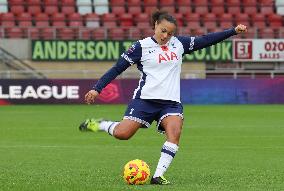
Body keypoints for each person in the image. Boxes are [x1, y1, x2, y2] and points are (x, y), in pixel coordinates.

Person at [79, 10, 247, 185]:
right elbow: (117, 68)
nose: (166, 36)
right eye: (163, 30)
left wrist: (232, 31)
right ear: (155, 26)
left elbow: (205, 40)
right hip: (145, 100)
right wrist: (97, 89)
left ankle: (157, 176)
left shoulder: (179, 44)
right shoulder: (140, 47)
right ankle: (99, 124)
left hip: (171, 103)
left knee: (174, 134)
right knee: (123, 134)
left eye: (171, 33)